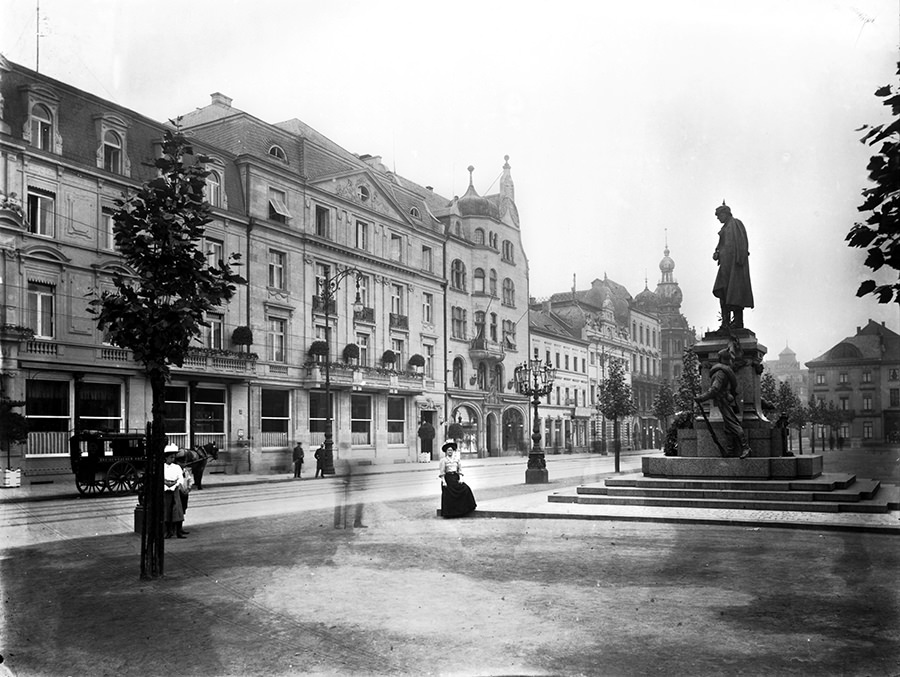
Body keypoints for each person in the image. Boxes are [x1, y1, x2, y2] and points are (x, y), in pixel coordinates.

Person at [695, 346, 752, 459]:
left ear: (720, 359)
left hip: (724, 401)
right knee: (728, 427)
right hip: (727, 400)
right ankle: (730, 450)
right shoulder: (726, 370)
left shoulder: (720, 373)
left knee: (733, 424)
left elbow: (714, 389)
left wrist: (701, 398)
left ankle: (745, 447)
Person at [712, 202, 754, 330]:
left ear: (725, 214)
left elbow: (742, 244)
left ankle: (738, 322)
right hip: (725, 266)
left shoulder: (736, 224)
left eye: (719, 216)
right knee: (723, 292)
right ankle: (725, 322)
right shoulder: (725, 228)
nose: (718, 218)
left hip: (735, 266)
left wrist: (739, 260)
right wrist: (718, 253)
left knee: (735, 293)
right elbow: (722, 245)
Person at [438, 441, 477, 518]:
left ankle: (463, 510)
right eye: (448, 450)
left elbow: (460, 470)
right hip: (448, 479)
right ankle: (450, 513)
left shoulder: (457, 459)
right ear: (446, 452)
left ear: (453, 451)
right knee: (449, 495)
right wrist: (444, 481)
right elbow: (442, 472)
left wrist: (461, 478)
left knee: (466, 489)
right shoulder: (443, 460)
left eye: (451, 450)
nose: (450, 452)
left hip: (456, 477)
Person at [163, 445, 188, 538]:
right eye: (171, 457)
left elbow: (180, 478)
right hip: (166, 491)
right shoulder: (162, 467)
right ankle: (168, 531)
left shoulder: (177, 467)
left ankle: (178, 531)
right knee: (167, 510)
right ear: (166, 458)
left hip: (175, 490)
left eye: (173, 457)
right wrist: (166, 484)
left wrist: (175, 484)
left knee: (177, 510)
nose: (172, 459)